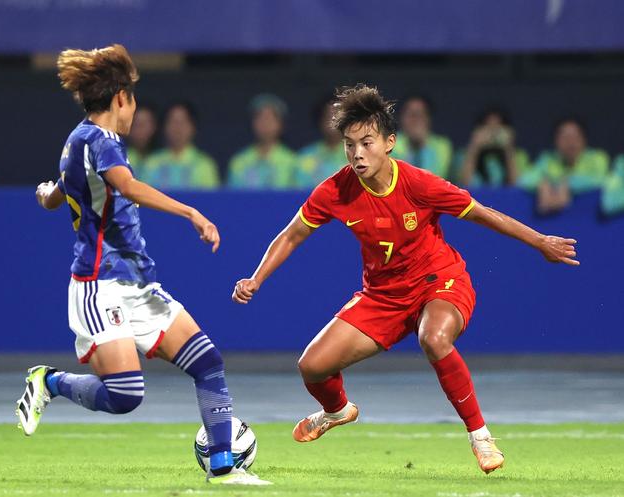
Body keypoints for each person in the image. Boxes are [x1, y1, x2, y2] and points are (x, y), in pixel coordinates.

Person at [232, 84, 578, 475]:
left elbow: (483, 213)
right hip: (383, 297)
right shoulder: (335, 190)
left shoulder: (419, 184)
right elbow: (292, 234)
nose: (357, 154)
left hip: (439, 281)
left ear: (389, 142)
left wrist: (540, 241)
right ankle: (338, 410)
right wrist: (256, 278)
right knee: (312, 366)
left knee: (434, 338)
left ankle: (480, 436)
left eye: (366, 143)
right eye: (349, 145)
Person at [16, 44, 269, 486]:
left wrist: (45, 195)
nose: (134, 110)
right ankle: (49, 382)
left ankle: (223, 468)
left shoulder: (80, 141)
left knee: (207, 361)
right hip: (100, 285)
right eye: (132, 100)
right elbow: (128, 186)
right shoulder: (99, 141)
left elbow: (58, 194)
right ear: (121, 98)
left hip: (138, 285)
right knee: (125, 394)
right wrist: (191, 213)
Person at [518, 117, 609, 215]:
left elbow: (603, 180)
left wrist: (567, 184)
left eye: (575, 137)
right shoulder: (548, 159)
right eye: (565, 137)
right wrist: (543, 184)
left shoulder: (597, 158)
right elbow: (523, 180)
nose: (570, 142)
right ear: (555, 141)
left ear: (584, 139)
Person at [141, 101, 219, 189]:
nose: (177, 128)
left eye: (183, 122)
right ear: (164, 126)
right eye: (173, 122)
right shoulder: (152, 162)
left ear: (193, 127)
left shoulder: (204, 165)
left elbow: (210, 196)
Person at [227, 93, 297, 189]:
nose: (265, 124)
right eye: (260, 118)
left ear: (281, 124)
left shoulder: (292, 161)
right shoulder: (239, 162)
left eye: (270, 119)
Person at [455, 108, 531, 187]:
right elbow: (465, 183)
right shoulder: (463, 155)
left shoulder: (520, 156)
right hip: (476, 195)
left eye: (498, 129)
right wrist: (474, 146)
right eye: (488, 128)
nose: (492, 134)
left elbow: (517, 185)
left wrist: (508, 148)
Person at [393, 95, 452, 179]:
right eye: (412, 115)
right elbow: (395, 176)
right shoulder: (391, 142)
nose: (416, 120)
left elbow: (436, 176)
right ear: (401, 118)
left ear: (429, 118)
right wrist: (412, 144)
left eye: (421, 114)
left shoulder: (442, 145)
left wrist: (422, 144)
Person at [294, 98, 347, 188]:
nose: (333, 123)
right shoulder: (305, 156)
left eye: (337, 117)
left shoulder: (358, 156)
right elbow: (299, 190)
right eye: (328, 117)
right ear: (320, 121)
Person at [126, 103, 160, 180]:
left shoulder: (164, 158)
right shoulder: (120, 158)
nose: (140, 129)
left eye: (144, 124)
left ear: (154, 127)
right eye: (136, 124)